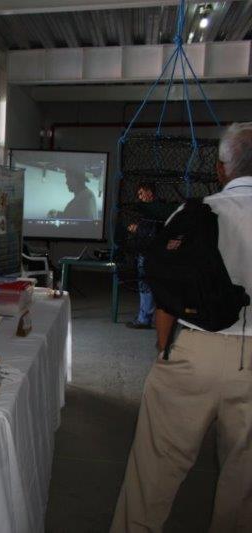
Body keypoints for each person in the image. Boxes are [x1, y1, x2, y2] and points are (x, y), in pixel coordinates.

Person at [110, 122, 252, 532]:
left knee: (155, 466)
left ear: (221, 168)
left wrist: (165, 347)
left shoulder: (198, 213)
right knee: (243, 478)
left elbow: (165, 284)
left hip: (195, 349)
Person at [125, 183, 178, 329]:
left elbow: (152, 232)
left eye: (142, 193)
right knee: (150, 285)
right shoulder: (155, 210)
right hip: (152, 252)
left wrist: (137, 229)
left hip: (150, 253)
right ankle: (147, 317)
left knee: (146, 285)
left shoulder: (155, 210)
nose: (140, 197)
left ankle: (144, 319)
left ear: (149, 192)